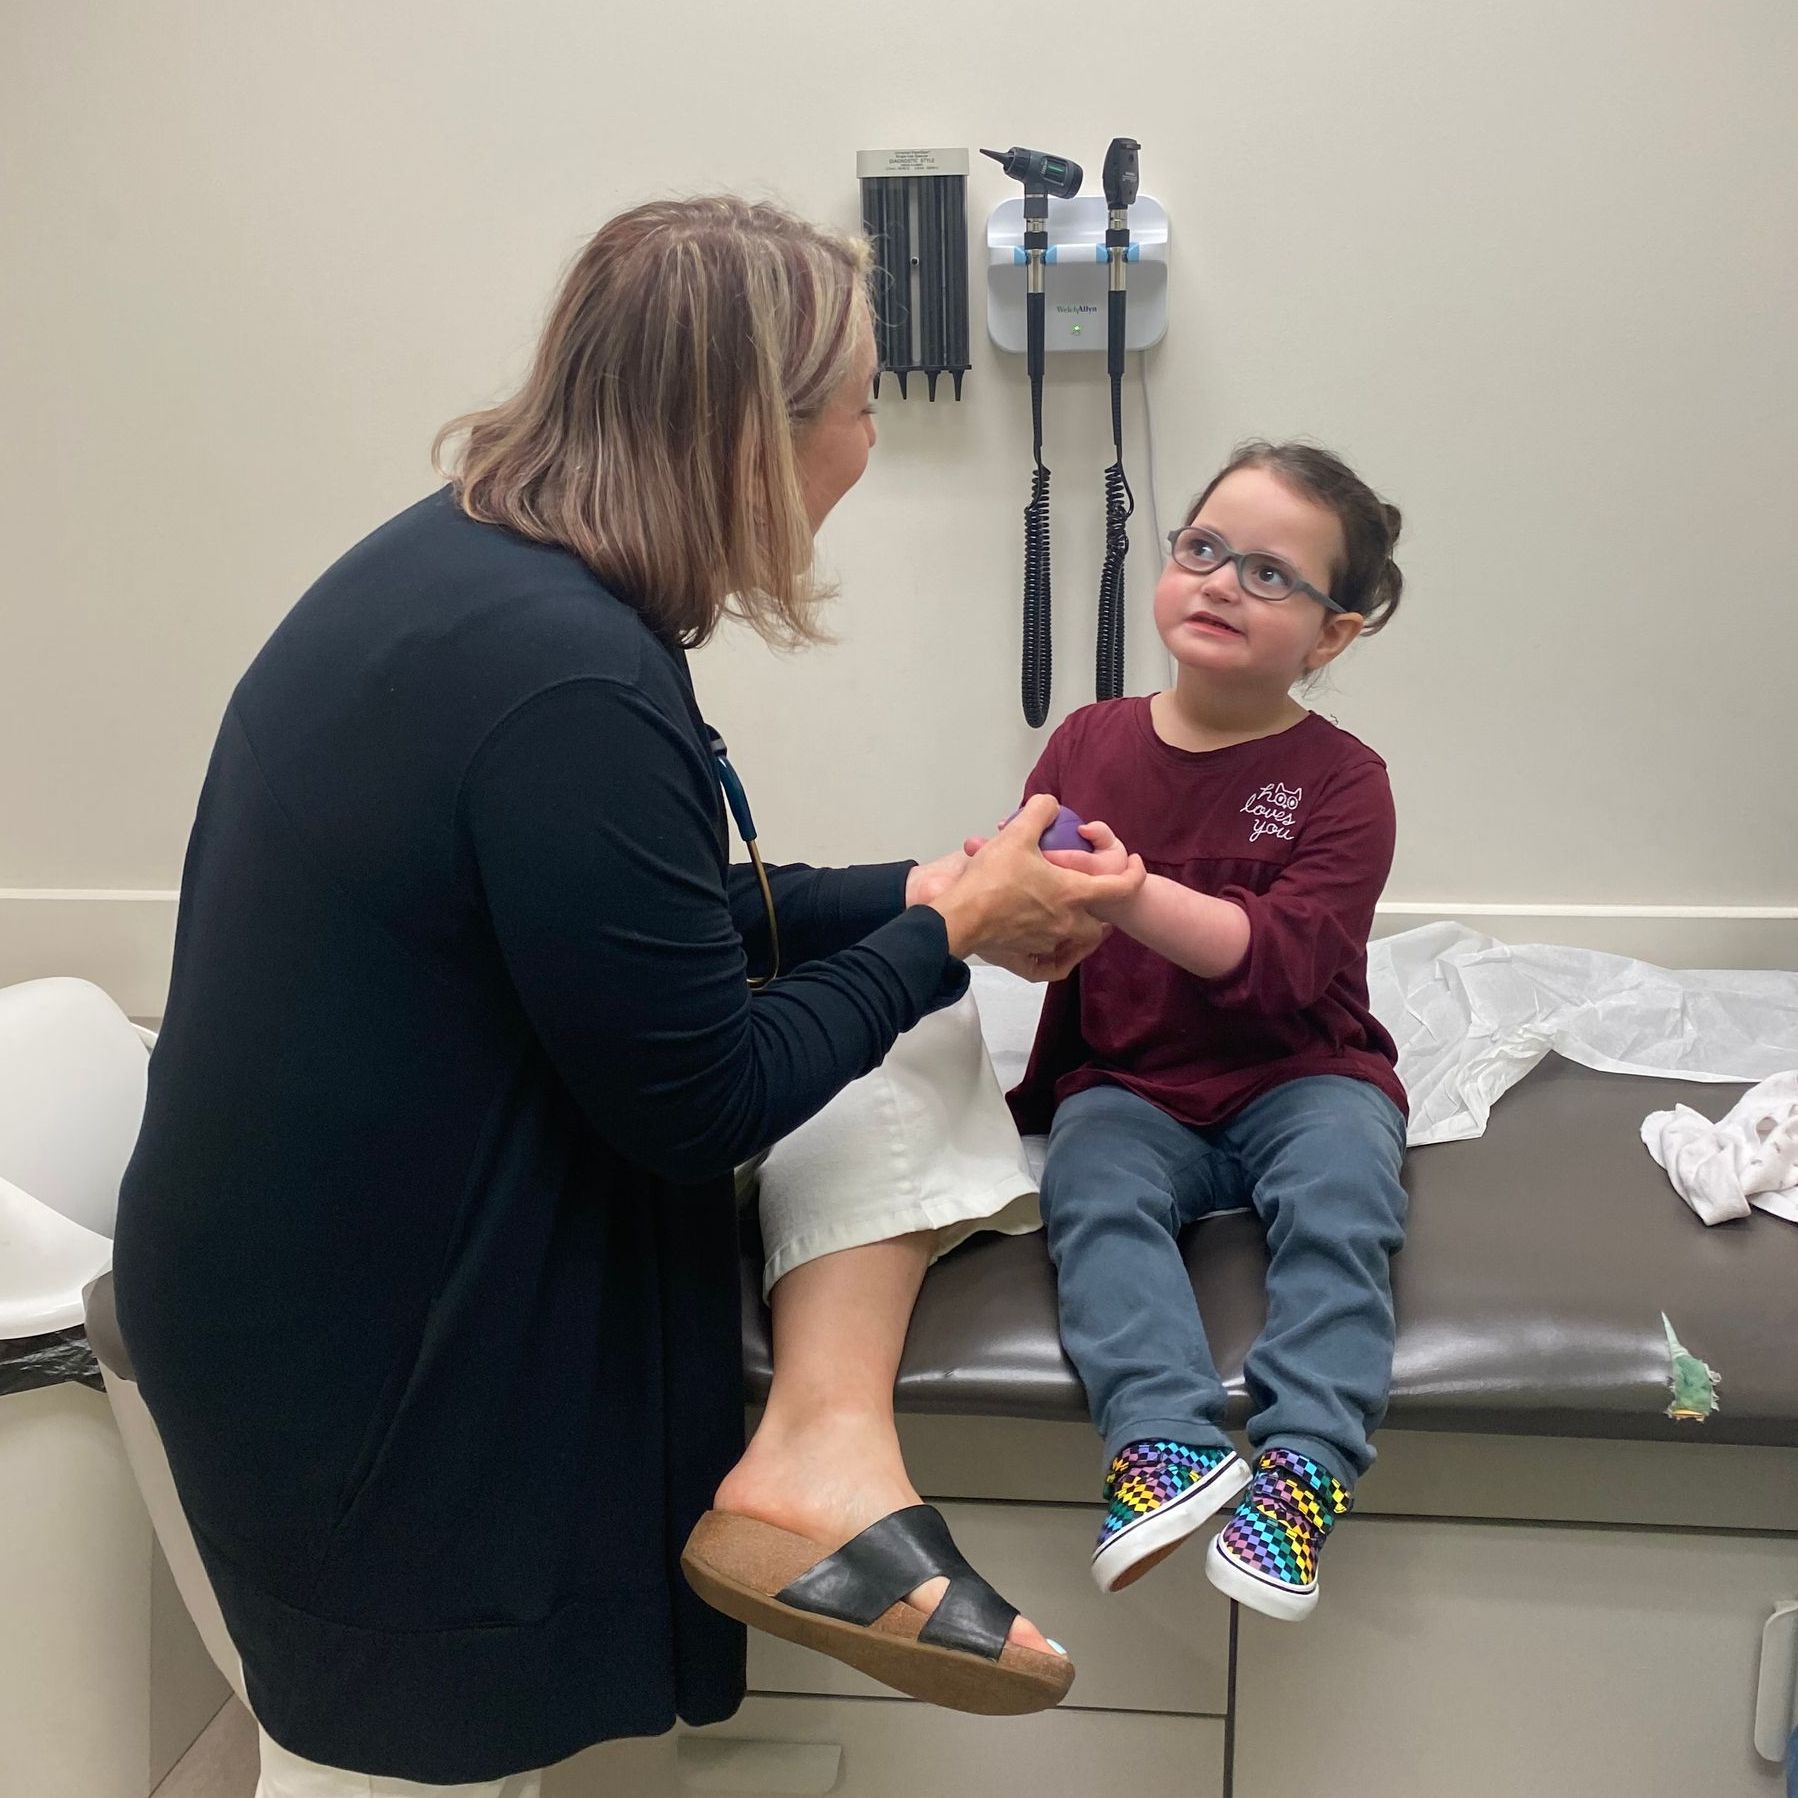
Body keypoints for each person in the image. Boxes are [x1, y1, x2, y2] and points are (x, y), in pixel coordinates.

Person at [111, 197, 1140, 1797]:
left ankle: (820, 1450)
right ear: (750, 434)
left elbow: (646, 925)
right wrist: (943, 931)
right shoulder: (563, 673)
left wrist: (938, 902)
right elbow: (699, 1096)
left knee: (915, 1032)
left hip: (351, 1253)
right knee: (398, 1773)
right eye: (863, 402)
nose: (873, 440)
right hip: (358, 1361)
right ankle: (818, 1460)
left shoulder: (484, 575)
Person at [1003, 440, 1410, 1618]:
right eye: (1203, 550)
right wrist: (1012, 904)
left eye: (1272, 575)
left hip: (1301, 1073)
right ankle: (1163, 1444)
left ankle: (1306, 1466)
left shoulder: (1342, 780)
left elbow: (1286, 966)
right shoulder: (1087, 741)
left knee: (1343, 1198)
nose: (1224, 581)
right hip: (1132, 1079)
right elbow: (1038, 897)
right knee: (1090, 1191)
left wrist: (1127, 893)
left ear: (1332, 634)